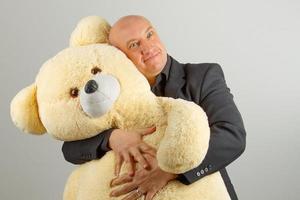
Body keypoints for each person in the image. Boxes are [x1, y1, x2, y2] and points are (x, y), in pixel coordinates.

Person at [62, 15, 246, 200]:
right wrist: (112, 138)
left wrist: (169, 170)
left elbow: (231, 135)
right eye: (134, 45)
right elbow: (70, 150)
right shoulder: (110, 93)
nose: (148, 48)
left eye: (149, 34)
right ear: (119, 55)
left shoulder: (202, 76)